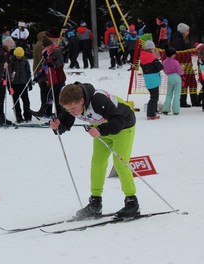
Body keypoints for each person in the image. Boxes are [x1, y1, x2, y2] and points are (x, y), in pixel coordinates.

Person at [49, 82, 139, 220]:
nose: (72, 112)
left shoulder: (98, 101)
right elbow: (65, 123)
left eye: (73, 108)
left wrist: (101, 130)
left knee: (120, 163)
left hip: (123, 127)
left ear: (82, 100)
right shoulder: (73, 105)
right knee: (97, 164)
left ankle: (132, 202)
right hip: (100, 129)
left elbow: (119, 120)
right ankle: (95, 203)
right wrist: (57, 126)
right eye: (68, 110)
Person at [33, 37, 66, 116]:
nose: (45, 48)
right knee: (50, 97)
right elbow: (44, 68)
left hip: (58, 78)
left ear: (50, 45)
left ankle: (59, 115)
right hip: (52, 79)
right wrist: (36, 78)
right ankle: (47, 113)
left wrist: (53, 65)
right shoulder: (46, 53)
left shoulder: (56, 51)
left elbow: (61, 62)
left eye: (46, 47)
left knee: (55, 97)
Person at [172, 23, 200, 107]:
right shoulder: (178, 40)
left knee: (192, 82)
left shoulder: (184, 38)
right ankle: (182, 102)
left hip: (187, 63)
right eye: (187, 30)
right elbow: (180, 53)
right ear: (183, 31)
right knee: (185, 82)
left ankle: (195, 101)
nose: (188, 32)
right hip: (182, 64)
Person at [0, 36, 15, 125]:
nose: (12, 48)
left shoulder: (7, 53)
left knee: (2, 97)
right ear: (7, 46)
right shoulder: (0, 52)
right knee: (0, 97)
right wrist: (3, 65)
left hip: (4, 78)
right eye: (11, 46)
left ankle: (1, 116)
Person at [139, 40, 164, 120]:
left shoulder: (142, 56)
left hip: (148, 79)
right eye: (153, 48)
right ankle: (151, 114)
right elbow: (160, 67)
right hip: (154, 79)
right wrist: (157, 59)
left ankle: (153, 111)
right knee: (154, 97)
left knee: (153, 96)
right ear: (150, 49)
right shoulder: (152, 57)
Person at [9, 47, 32, 123]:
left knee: (26, 101)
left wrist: (30, 83)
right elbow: (8, 74)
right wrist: (9, 87)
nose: (19, 57)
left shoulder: (25, 61)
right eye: (17, 55)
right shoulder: (11, 61)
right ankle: (19, 117)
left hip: (23, 84)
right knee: (16, 102)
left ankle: (27, 116)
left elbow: (28, 72)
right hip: (14, 85)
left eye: (20, 56)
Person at [31, 31, 50, 118]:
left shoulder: (38, 44)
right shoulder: (40, 45)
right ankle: (44, 110)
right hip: (41, 72)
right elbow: (42, 59)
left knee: (45, 92)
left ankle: (45, 110)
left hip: (39, 71)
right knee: (45, 92)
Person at [162, 47, 184, 115]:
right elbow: (180, 72)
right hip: (177, 77)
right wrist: (182, 70)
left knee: (169, 94)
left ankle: (165, 109)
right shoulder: (175, 62)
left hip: (169, 77)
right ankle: (176, 110)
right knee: (177, 94)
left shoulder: (164, 62)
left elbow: (164, 71)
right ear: (172, 54)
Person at [195, 43, 204, 111]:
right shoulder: (201, 59)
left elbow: (199, 69)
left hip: (202, 77)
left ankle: (198, 99)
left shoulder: (199, 59)